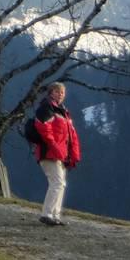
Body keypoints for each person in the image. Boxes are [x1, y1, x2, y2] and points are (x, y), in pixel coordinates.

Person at [28, 82, 81, 226]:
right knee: (57, 183)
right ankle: (47, 214)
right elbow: (43, 128)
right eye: (57, 92)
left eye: (62, 92)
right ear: (50, 93)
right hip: (49, 152)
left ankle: (55, 215)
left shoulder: (63, 111)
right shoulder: (46, 107)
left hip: (60, 154)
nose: (60, 94)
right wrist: (55, 146)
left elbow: (72, 136)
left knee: (61, 184)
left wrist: (73, 154)